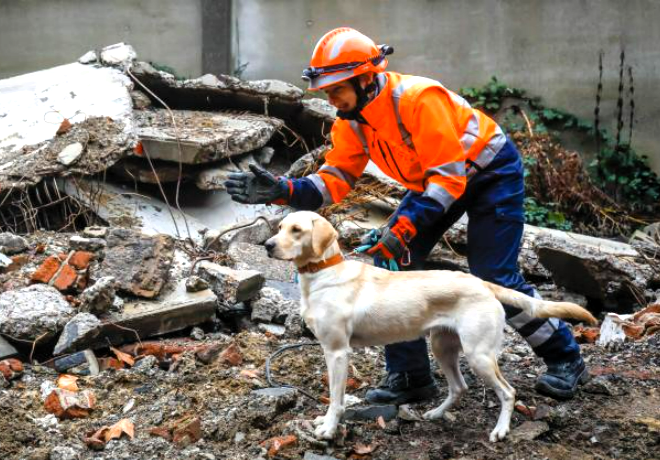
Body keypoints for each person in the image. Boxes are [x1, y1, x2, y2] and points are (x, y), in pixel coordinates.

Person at [224, 27, 588, 403]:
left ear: (365, 79)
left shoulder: (418, 99)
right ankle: (411, 377)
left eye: (336, 89)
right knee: (393, 258)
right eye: (327, 91)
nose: (331, 100)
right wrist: (285, 191)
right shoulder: (351, 118)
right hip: (434, 182)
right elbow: (336, 179)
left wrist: (401, 228)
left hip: (490, 173)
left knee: (493, 274)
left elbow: (449, 182)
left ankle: (566, 359)